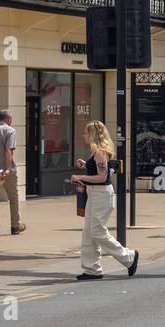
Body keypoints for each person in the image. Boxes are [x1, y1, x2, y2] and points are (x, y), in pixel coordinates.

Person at [71, 120, 138, 281]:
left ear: (93, 135)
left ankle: (128, 257)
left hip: (102, 195)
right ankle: (92, 269)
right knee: (88, 232)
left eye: (86, 133)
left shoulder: (100, 152)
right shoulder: (95, 152)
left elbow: (102, 177)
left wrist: (80, 177)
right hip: (94, 194)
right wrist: (85, 166)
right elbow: (97, 171)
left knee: (97, 231)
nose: (83, 135)